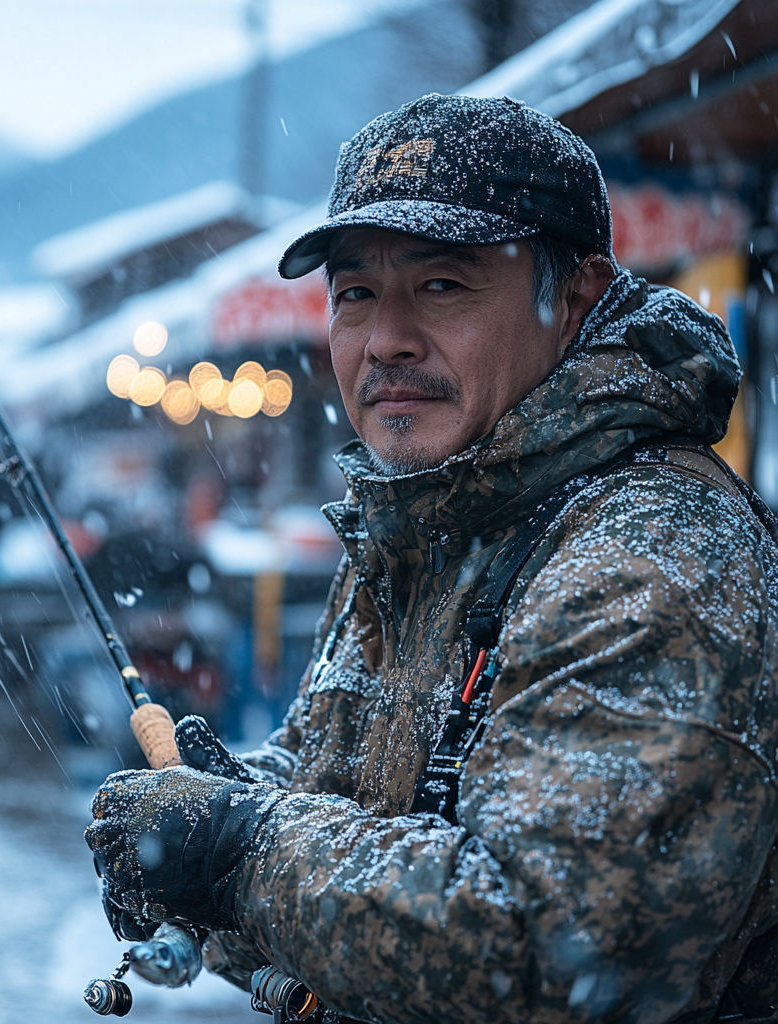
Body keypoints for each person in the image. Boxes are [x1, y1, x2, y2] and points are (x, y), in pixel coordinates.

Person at [84, 94, 778, 1023]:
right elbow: (333, 787)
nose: (385, 340)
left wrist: (242, 852)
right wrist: (211, 815)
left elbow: (558, 949)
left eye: (442, 285)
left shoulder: (655, 552)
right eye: (355, 295)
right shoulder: (417, 524)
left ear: (574, 298)